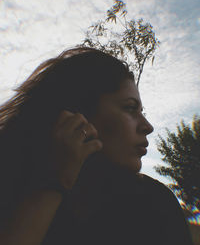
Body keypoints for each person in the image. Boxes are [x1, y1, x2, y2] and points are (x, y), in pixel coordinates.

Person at [0, 47, 193, 245]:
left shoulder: (153, 203)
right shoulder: (11, 191)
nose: (147, 126)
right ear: (77, 115)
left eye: (141, 111)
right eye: (129, 108)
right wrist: (52, 185)